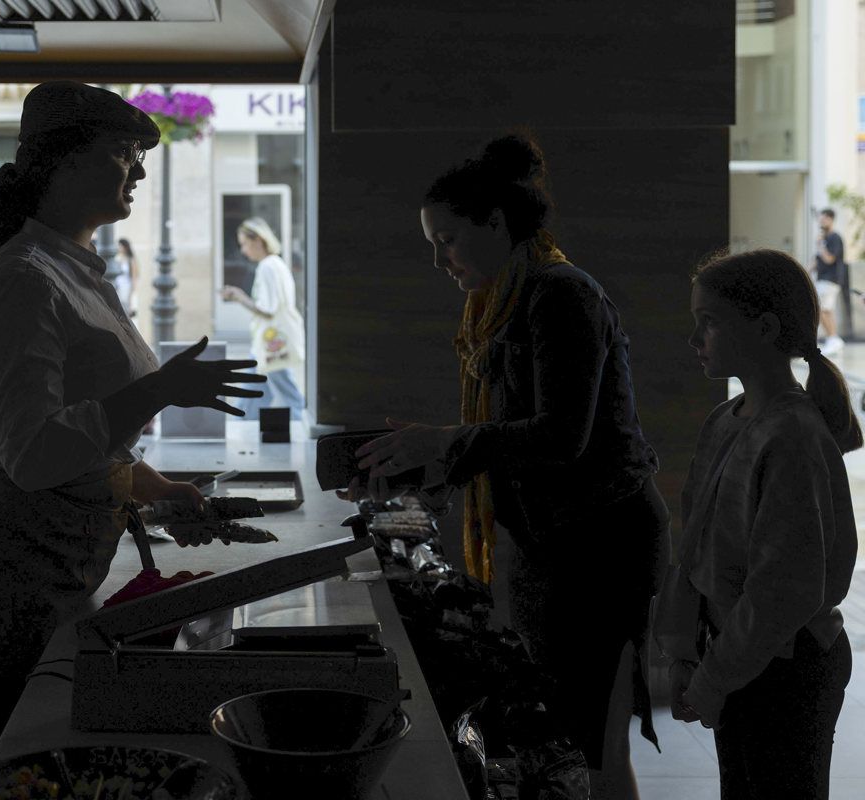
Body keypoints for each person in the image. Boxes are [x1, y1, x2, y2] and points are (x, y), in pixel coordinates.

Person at [0, 81, 265, 798]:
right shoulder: (22, 281)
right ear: (63, 164)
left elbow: (85, 432)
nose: (136, 170)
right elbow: (33, 452)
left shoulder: (76, 272)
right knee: (4, 763)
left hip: (49, 555)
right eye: (121, 154)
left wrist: (154, 489)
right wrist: (157, 390)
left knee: (20, 753)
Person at [345, 134, 668, 799]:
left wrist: (447, 442)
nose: (440, 260)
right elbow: (500, 438)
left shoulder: (560, 294)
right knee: (568, 736)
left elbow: (560, 435)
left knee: (589, 743)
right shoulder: (501, 303)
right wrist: (421, 461)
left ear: (496, 222)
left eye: (448, 240)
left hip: (599, 542)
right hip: (554, 540)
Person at [660, 249, 856, 799]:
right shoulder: (727, 418)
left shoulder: (792, 435)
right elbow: (696, 550)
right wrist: (684, 652)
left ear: (764, 328)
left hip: (787, 670)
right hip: (742, 658)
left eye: (710, 323)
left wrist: (716, 675)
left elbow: (783, 592)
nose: (695, 339)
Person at [220, 217, 306, 420]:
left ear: (257, 240)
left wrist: (240, 297)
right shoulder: (276, 263)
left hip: (271, 342)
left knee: (287, 394)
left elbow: (267, 309)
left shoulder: (268, 266)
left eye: (244, 244)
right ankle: (241, 421)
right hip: (269, 341)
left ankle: (300, 422)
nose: (243, 250)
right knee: (254, 388)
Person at [811, 208, 847, 354]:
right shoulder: (825, 238)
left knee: (819, 308)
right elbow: (817, 260)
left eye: (824, 219)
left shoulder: (834, 238)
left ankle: (833, 338)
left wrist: (820, 245)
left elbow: (829, 258)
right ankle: (834, 339)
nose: (821, 221)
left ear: (831, 219)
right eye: (820, 219)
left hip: (830, 279)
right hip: (823, 279)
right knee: (826, 310)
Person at [113, 236, 139, 316]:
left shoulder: (131, 260)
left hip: (126, 286)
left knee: (125, 305)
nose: (119, 247)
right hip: (116, 285)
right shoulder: (117, 257)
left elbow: (134, 276)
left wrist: (133, 289)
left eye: (120, 245)